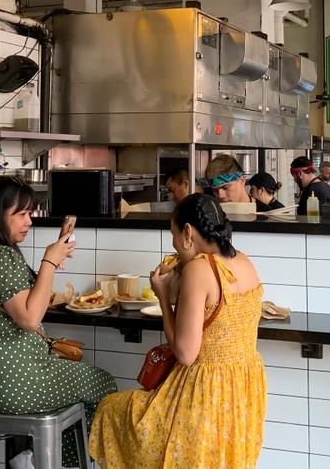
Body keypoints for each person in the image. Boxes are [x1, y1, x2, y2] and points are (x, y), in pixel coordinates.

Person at [89, 194, 267, 468]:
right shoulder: (244, 262)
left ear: (188, 232)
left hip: (202, 395)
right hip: (240, 394)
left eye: (173, 234)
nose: (173, 243)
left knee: (111, 408)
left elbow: (185, 353)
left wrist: (162, 296)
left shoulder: (199, 269)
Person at [0, 176, 116, 465]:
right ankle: (39, 461)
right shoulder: (1, 256)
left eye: (29, 213)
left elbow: (25, 300)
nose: (28, 221)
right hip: (17, 381)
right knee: (103, 384)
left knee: (82, 385)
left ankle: (36, 459)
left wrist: (51, 260)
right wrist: (49, 262)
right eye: (20, 214)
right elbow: (30, 319)